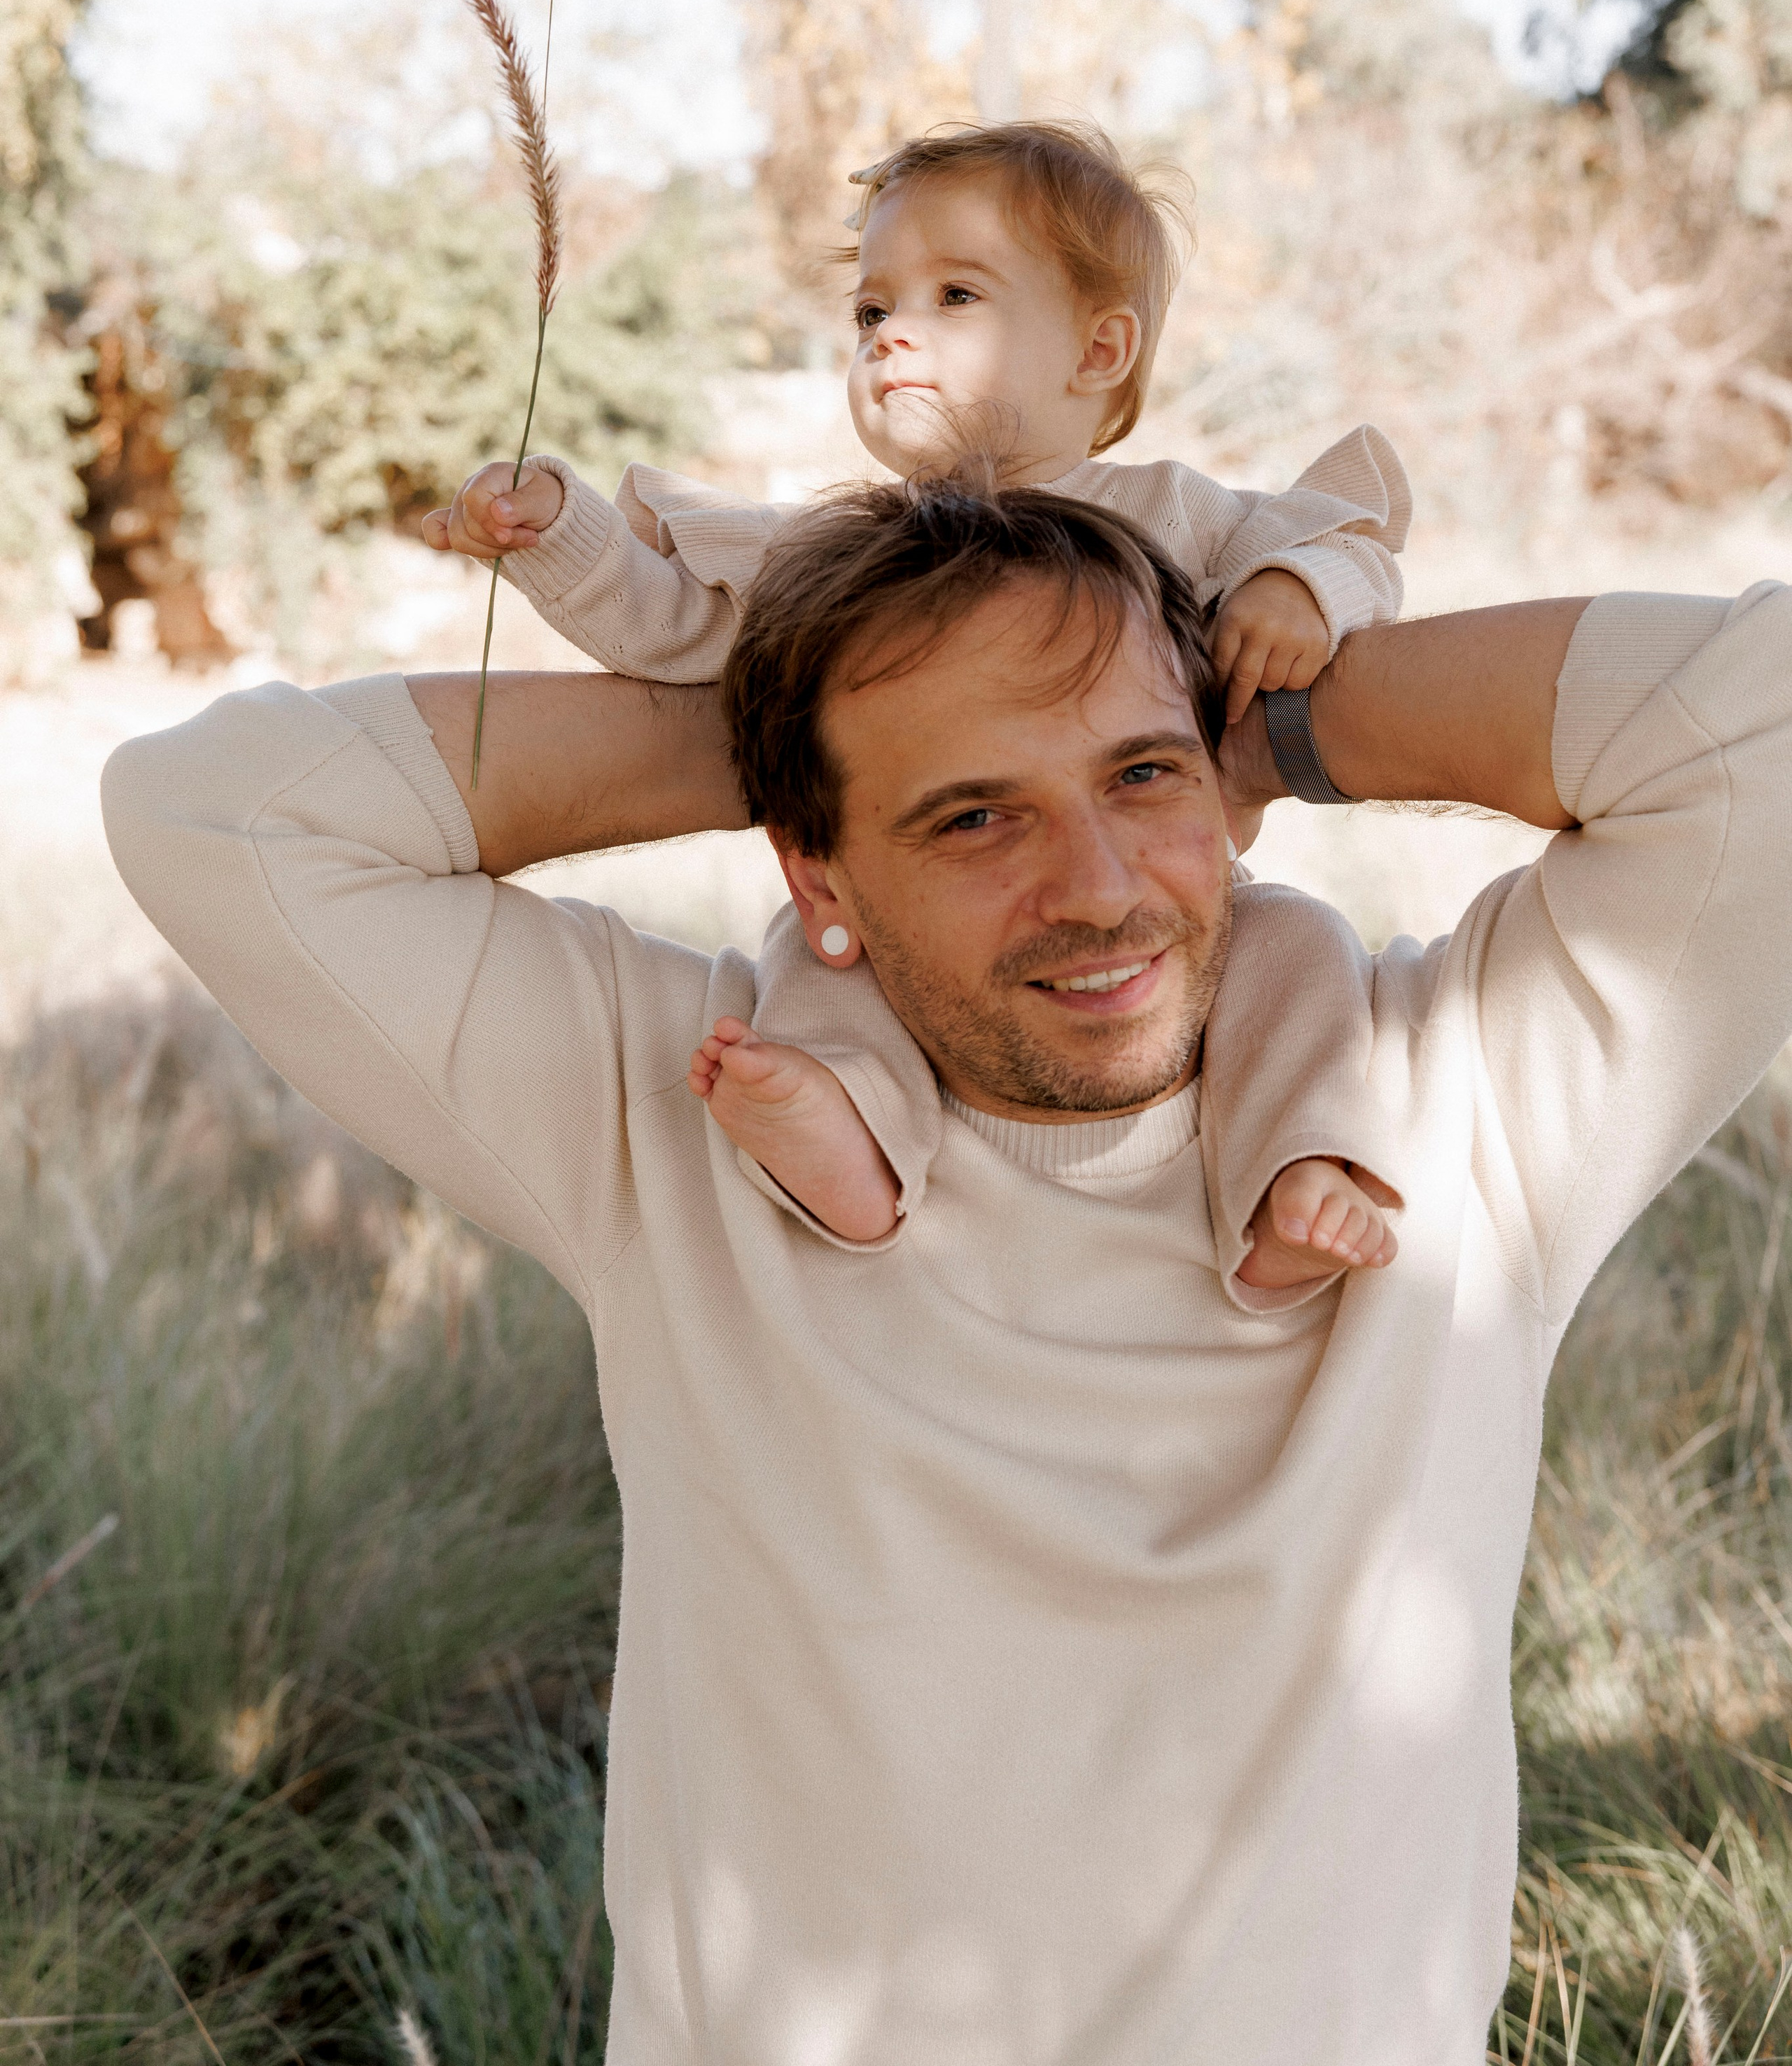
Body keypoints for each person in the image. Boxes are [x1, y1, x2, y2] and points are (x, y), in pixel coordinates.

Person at [102, 471, 1792, 2064]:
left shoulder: (1457, 1105)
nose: (1098, 889)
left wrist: (1265, 717)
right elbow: (213, 811)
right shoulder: (696, 1116)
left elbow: (1759, 712)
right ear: (815, 877)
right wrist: (796, 716)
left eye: (1141, 778)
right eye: (971, 815)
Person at [424, 120, 1410, 1283]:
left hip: (1167, 909)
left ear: (1099, 350)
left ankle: (1297, 1171)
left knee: (1300, 950)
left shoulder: (1176, 516)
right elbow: (677, 628)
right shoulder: (855, 562)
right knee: (825, 954)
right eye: (870, 309)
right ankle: (848, 1127)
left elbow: (1350, 542)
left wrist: (1300, 590)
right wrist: (562, 534)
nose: (891, 333)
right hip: (935, 919)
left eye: (954, 295)